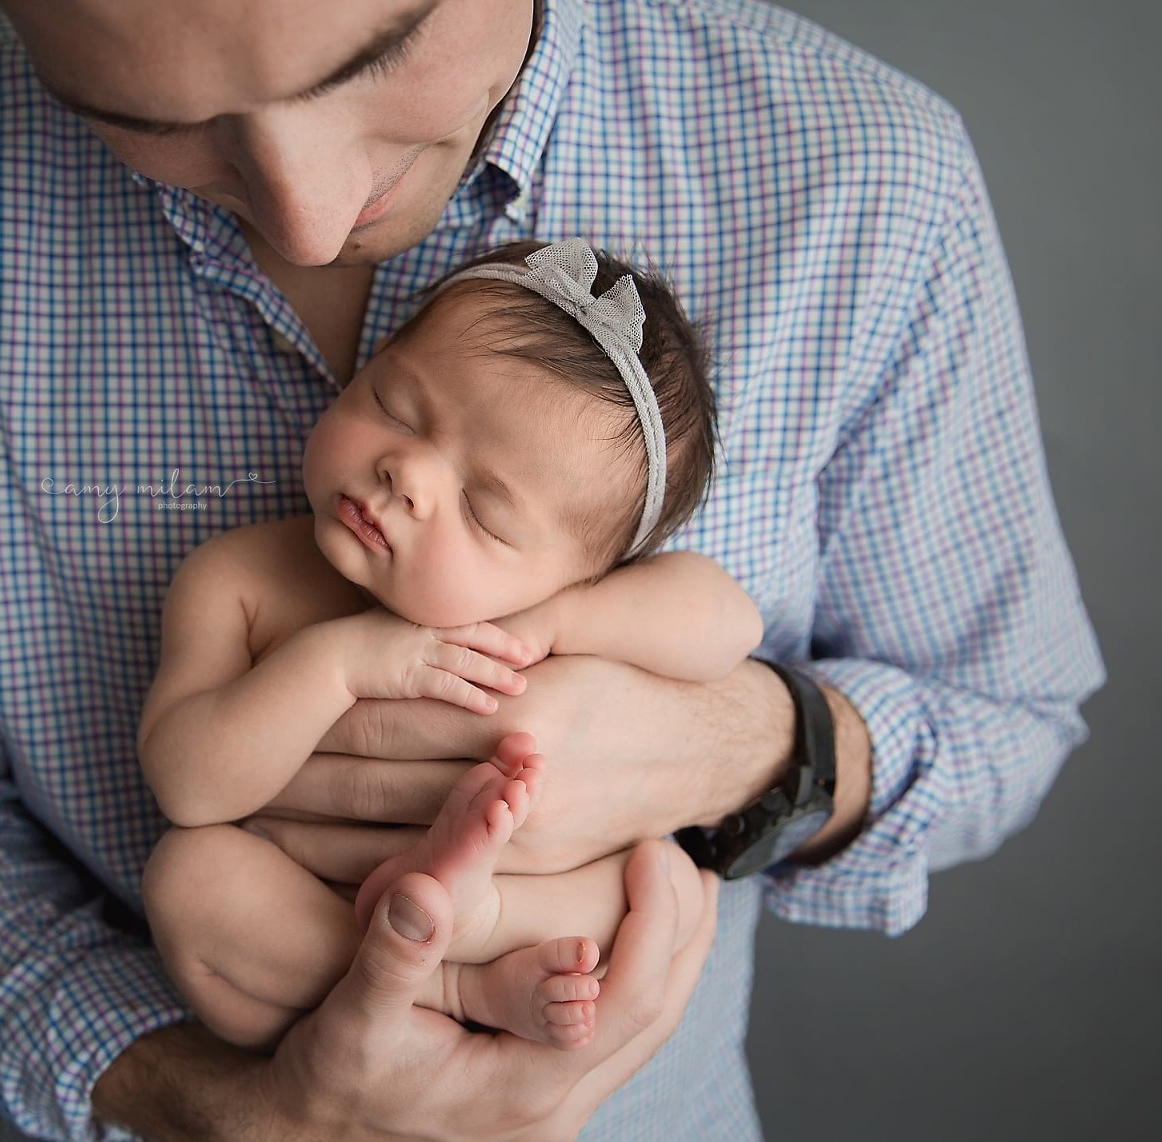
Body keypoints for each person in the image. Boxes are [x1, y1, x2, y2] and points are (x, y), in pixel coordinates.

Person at [0, 1, 1104, 1139]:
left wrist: (743, 741)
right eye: (151, 121)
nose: (309, 209)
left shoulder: (866, 174)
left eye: (375, 57)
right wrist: (248, 1111)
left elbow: (1005, 714)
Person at [139, 238, 761, 1052]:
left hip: (512, 922)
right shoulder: (242, 581)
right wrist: (335, 663)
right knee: (189, 884)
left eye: (486, 513)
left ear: (575, 573)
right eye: (396, 405)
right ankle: (448, 986)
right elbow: (187, 788)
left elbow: (731, 624)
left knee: (663, 885)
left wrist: (555, 626)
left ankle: (470, 946)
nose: (408, 473)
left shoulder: (549, 606)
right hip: (321, 941)